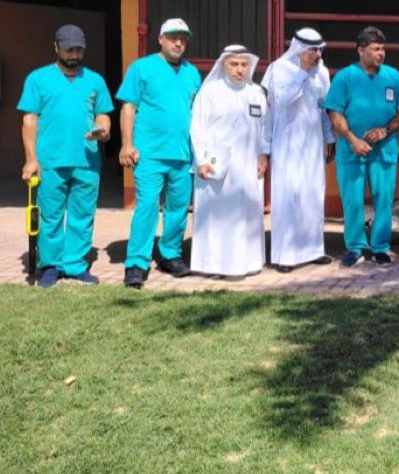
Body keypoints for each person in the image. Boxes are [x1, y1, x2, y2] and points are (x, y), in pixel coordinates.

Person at [17, 24, 113, 288]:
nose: (74, 54)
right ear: (56, 47)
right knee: (50, 215)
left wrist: (103, 130)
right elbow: (29, 120)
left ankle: (75, 265)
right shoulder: (38, 79)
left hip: (87, 160)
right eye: (69, 49)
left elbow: (103, 114)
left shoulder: (95, 80)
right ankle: (50, 265)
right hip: (50, 160)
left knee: (83, 214)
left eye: (79, 49)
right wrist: (31, 159)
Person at [117, 18, 202, 289]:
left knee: (178, 207)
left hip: (183, 154)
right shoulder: (141, 68)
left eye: (183, 39)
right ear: (161, 39)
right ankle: (136, 262)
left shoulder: (192, 73)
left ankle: (170, 255)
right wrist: (127, 144)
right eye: (173, 38)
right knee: (147, 205)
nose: (179, 43)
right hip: (149, 153)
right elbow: (128, 108)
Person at [325, 26, 399, 267]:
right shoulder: (345, 77)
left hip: (384, 151)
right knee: (352, 200)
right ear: (360, 50)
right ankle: (355, 247)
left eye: (383, 48)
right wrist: (352, 139)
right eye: (375, 49)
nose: (381, 53)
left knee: (383, 199)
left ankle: (380, 247)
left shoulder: (393, 76)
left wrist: (385, 130)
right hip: (351, 150)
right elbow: (334, 113)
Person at [189, 45, 269, 279]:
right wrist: (201, 160)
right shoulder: (210, 92)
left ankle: (247, 263)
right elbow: (197, 129)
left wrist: (263, 154)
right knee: (217, 217)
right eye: (234, 64)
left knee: (246, 215)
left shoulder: (256, 93)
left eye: (244, 64)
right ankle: (214, 265)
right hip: (216, 166)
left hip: (249, 166)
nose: (239, 69)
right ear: (223, 64)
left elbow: (265, 128)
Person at [263, 28, 335, 272]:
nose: (317, 55)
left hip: (312, 145)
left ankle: (313, 250)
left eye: (319, 50)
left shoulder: (322, 72)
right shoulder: (279, 69)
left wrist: (329, 138)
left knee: (313, 195)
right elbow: (283, 100)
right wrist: (302, 70)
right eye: (312, 50)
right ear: (299, 49)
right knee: (289, 198)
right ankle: (286, 255)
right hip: (287, 144)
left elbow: (323, 107)